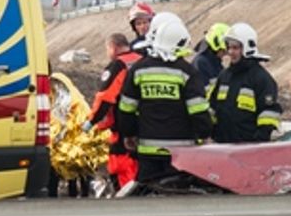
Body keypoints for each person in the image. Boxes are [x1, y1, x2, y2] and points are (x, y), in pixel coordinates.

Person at [117, 12, 212, 182]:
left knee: (147, 196)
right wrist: (205, 135)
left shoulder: (138, 70)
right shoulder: (187, 72)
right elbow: (198, 111)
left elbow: (126, 108)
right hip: (181, 153)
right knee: (177, 197)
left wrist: (128, 134)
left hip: (147, 152)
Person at [81, 32, 142, 191]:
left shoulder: (118, 65)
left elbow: (105, 98)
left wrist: (91, 121)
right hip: (148, 123)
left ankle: (127, 197)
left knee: (122, 165)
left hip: (124, 125)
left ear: (113, 47)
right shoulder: (142, 60)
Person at [209, 22, 281, 143]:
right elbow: (212, 108)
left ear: (247, 48)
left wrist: (258, 141)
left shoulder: (261, 78)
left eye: (235, 48)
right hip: (222, 148)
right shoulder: (224, 76)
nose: (230, 52)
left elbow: (269, 113)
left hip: (248, 150)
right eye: (229, 47)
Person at [192, 22, 229, 94]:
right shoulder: (201, 63)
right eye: (224, 51)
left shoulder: (215, 63)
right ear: (216, 46)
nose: (225, 54)